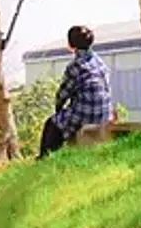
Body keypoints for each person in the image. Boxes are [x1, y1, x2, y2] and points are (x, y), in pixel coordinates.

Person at [39, 24, 113, 159]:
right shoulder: (100, 63)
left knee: (52, 124)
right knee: (66, 117)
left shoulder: (75, 65)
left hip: (86, 114)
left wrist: (58, 108)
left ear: (71, 45)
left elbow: (62, 94)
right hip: (105, 114)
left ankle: (45, 158)